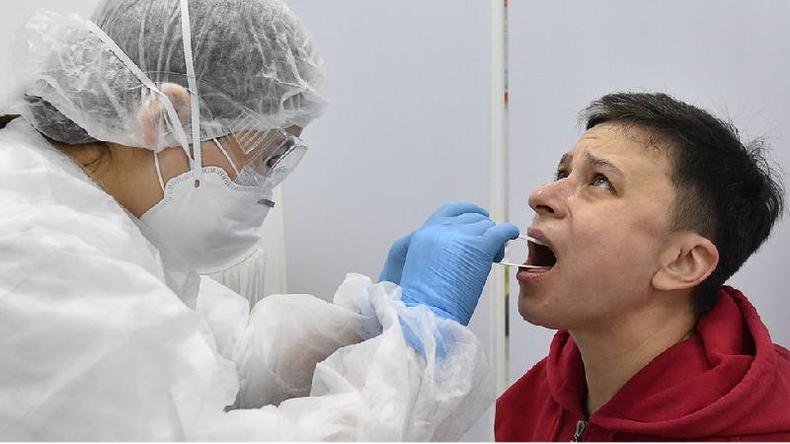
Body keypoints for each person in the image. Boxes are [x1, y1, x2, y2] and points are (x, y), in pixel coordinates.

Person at [0, 0, 519, 440]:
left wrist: (366, 321)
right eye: (266, 155)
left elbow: (233, 354)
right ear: (164, 119)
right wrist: (416, 349)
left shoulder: (108, 220)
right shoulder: (42, 252)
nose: (266, 186)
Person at [495, 92, 790, 441]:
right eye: (562, 172)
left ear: (683, 261)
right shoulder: (526, 404)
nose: (540, 195)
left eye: (600, 180)